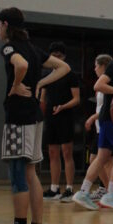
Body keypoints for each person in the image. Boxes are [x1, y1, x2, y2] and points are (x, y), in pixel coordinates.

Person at [0, 8, 70, 224]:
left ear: (6, 25)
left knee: (17, 172)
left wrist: (16, 85)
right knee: (31, 171)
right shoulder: (34, 48)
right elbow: (64, 67)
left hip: (19, 118)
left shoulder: (9, 48)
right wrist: (39, 83)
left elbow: (21, 65)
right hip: (35, 117)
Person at [73, 36, 113, 212]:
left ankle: (83, 192)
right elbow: (98, 85)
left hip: (108, 118)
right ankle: (111, 195)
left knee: (101, 158)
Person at [40, 40, 80, 202]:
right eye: (54, 55)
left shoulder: (70, 74)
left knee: (67, 152)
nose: (57, 58)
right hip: (51, 116)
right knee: (52, 152)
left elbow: (76, 99)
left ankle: (69, 188)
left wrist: (63, 107)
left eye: (59, 55)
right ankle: (54, 187)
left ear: (64, 57)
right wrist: (41, 111)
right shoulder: (46, 75)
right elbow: (43, 98)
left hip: (65, 115)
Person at [84, 54, 112, 198]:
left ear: (103, 66)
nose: (94, 69)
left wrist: (92, 117)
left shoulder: (107, 84)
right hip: (99, 126)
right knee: (98, 160)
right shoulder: (100, 83)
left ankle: (111, 192)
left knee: (101, 161)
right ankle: (109, 191)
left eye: (96, 66)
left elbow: (107, 108)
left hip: (105, 125)